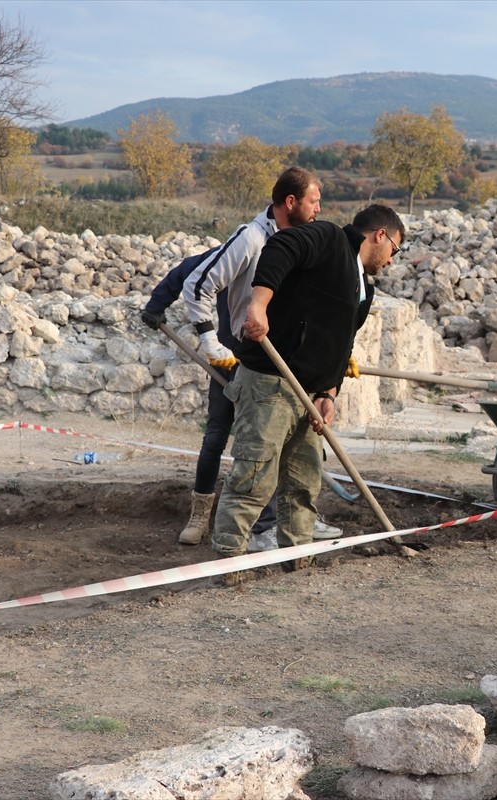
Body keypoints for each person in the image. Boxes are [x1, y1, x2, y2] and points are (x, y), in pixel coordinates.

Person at [140, 166, 331, 546]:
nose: (319, 209)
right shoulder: (251, 239)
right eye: (314, 201)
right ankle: (202, 514)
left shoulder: (301, 240)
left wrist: (333, 361)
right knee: (219, 436)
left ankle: (270, 525)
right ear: (290, 202)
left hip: (277, 359)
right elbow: (194, 272)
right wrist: (177, 317)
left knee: (270, 441)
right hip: (234, 355)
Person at [211, 204, 405, 570]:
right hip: (270, 382)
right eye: (395, 249)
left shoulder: (364, 290)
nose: (392, 260)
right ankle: (227, 565)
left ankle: (297, 563)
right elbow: (283, 246)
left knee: (302, 486)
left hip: (310, 398)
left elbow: (342, 345)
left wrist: (329, 393)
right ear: (380, 235)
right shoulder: (329, 238)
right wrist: (260, 304)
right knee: (253, 479)